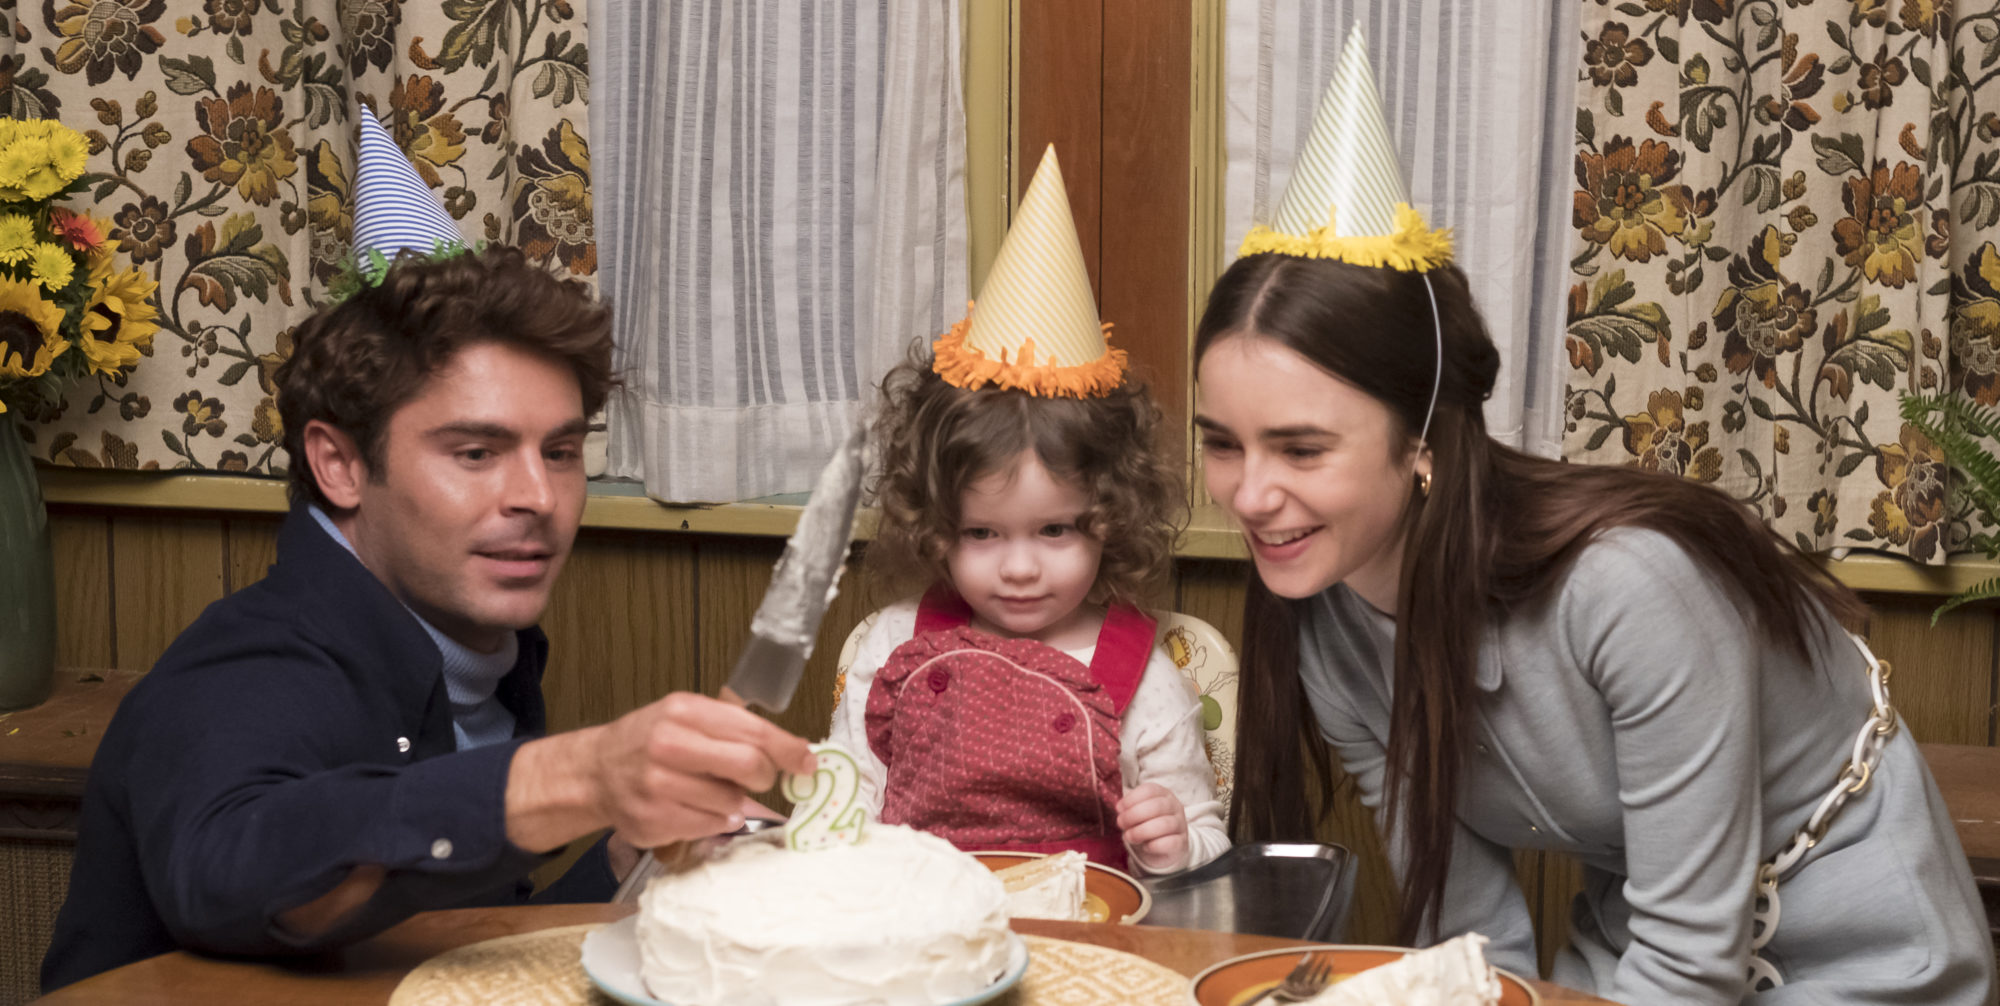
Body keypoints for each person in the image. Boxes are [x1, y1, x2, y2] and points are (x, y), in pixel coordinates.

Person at [1197, 29, 1995, 1004]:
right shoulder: (1326, 625)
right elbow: (1469, 929)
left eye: (1300, 447)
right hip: (1637, 957)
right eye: (1221, 442)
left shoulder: (1630, 585)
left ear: (1423, 442)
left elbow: (1688, 961)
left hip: (1855, 956)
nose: (1247, 493)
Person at [40, 117, 814, 993]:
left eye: (560, 452)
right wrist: (579, 774)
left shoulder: (477, 641)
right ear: (339, 464)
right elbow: (230, 868)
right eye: (475, 453)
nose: (538, 497)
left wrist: (636, 857)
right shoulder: (253, 662)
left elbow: (446, 942)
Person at [824, 147, 1226, 876]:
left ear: (1110, 515)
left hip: (1086, 946)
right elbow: (842, 811)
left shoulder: (1147, 679)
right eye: (981, 533)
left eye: (1056, 530)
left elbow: (1206, 847)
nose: (1017, 566)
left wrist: (1175, 843)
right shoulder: (892, 648)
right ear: (936, 524)